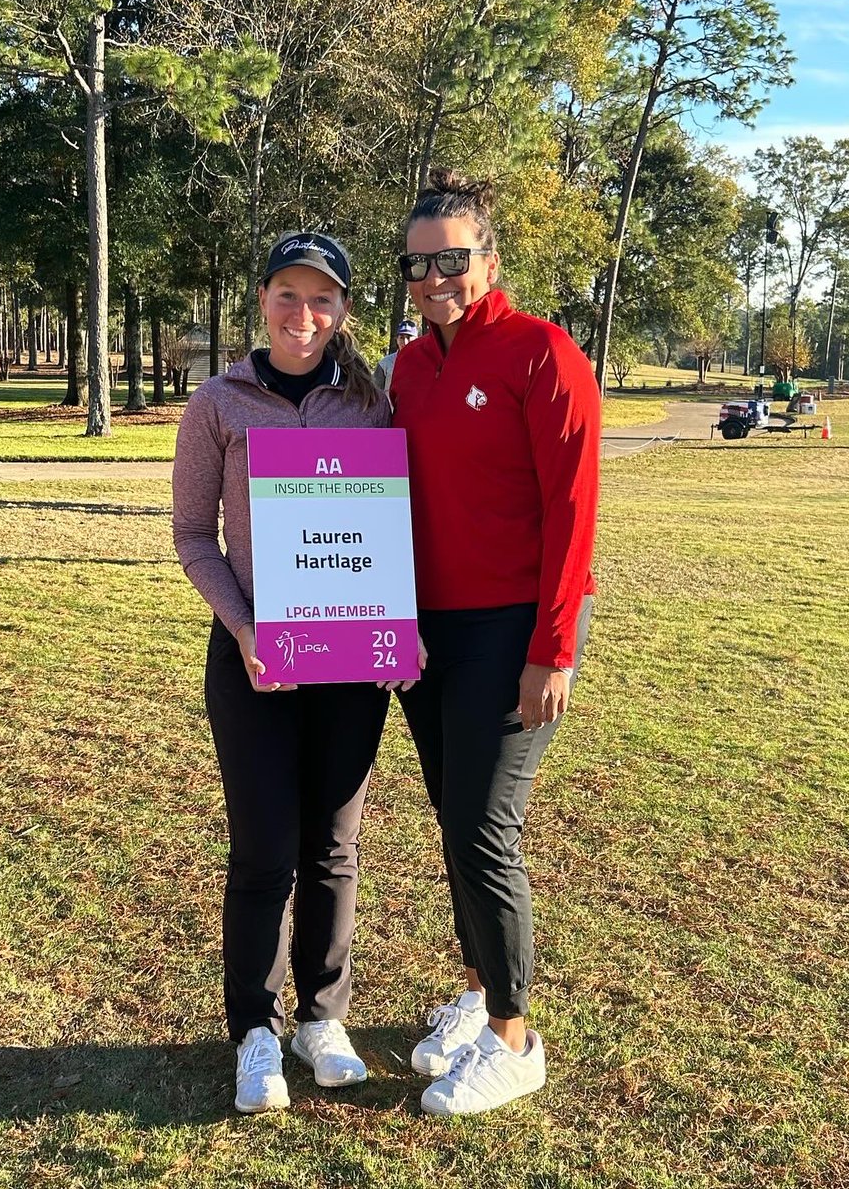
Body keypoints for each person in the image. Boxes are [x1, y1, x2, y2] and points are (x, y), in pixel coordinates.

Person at [389, 170, 601, 1116]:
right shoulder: (405, 367)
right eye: (418, 264)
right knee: (455, 819)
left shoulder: (543, 353)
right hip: (426, 633)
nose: (435, 277)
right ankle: (480, 997)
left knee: (485, 826)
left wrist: (552, 651)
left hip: (516, 628)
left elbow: (572, 513)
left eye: (452, 259)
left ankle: (515, 1040)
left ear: (489, 260)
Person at [172, 232, 391, 1114]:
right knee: (264, 852)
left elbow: (388, 530)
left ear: (343, 310)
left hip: (349, 662)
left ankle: (321, 1020)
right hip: (254, 658)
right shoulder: (218, 401)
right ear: (262, 299)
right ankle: (256, 1033)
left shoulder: (371, 402)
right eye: (289, 296)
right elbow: (193, 536)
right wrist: (248, 626)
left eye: (324, 299)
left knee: (333, 850)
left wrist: (396, 626)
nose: (306, 315)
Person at [373, 318, 419, 397]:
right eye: (401, 337)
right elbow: (375, 393)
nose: (405, 342)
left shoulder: (425, 362)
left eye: (408, 337)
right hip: (391, 408)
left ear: (417, 339)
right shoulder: (385, 363)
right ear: (397, 339)